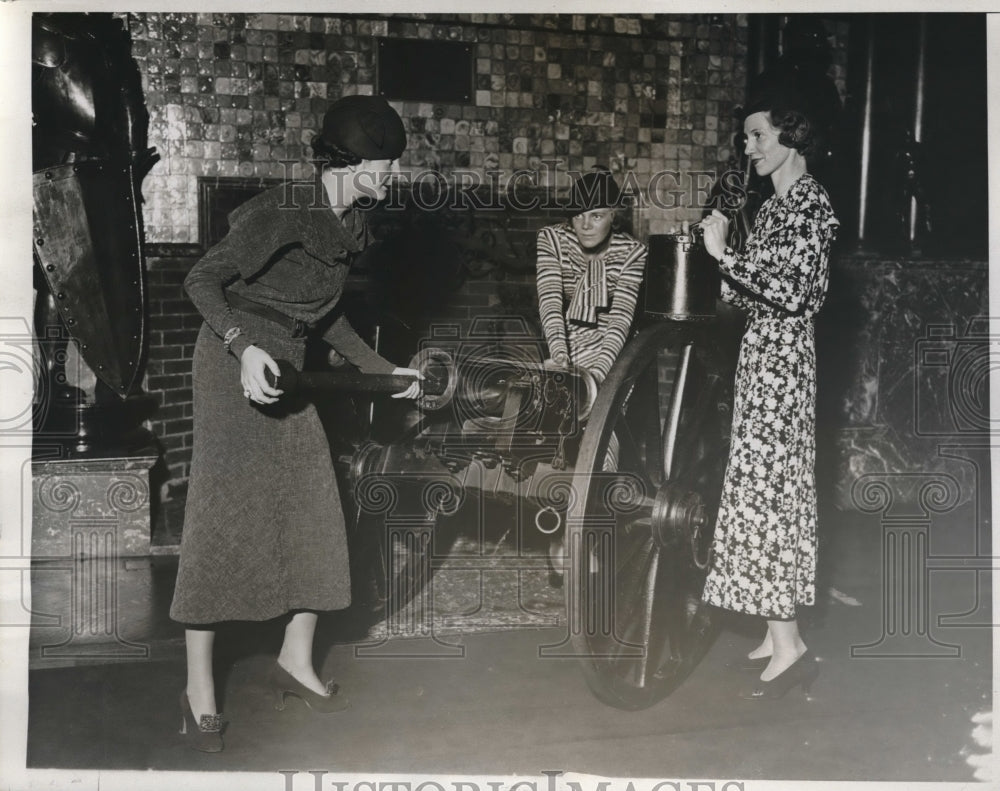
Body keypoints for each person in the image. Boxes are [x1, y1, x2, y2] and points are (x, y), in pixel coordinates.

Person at [169, 94, 421, 752]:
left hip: (291, 362)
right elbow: (202, 281)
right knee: (222, 519)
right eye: (384, 164)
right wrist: (241, 346)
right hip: (234, 359)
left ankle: (296, 657)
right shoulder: (286, 209)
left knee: (315, 508)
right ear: (349, 163)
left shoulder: (354, 221)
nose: (392, 175)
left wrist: (386, 371)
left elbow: (324, 314)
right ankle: (198, 688)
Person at [699, 85, 839, 699]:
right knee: (754, 490)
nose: (748, 146)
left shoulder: (810, 205)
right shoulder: (777, 207)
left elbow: (795, 295)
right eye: (748, 135)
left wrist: (725, 254)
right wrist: (723, 255)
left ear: (793, 135)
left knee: (772, 496)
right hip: (760, 357)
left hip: (783, 365)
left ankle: (792, 645)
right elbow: (743, 293)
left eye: (758, 134)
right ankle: (771, 630)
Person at [535, 168, 647, 585]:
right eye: (578, 214)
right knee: (556, 441)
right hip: (561, 353)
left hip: (611, 359)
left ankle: (586, 534)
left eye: (597, 215)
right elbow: (549, 303)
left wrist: (595, 380)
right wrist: (564, 366)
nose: (585, 223)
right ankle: (562, 527)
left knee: (603, 440)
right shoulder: (552, 239)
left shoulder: (633, 253)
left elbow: (620, 321)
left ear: (614, 216)